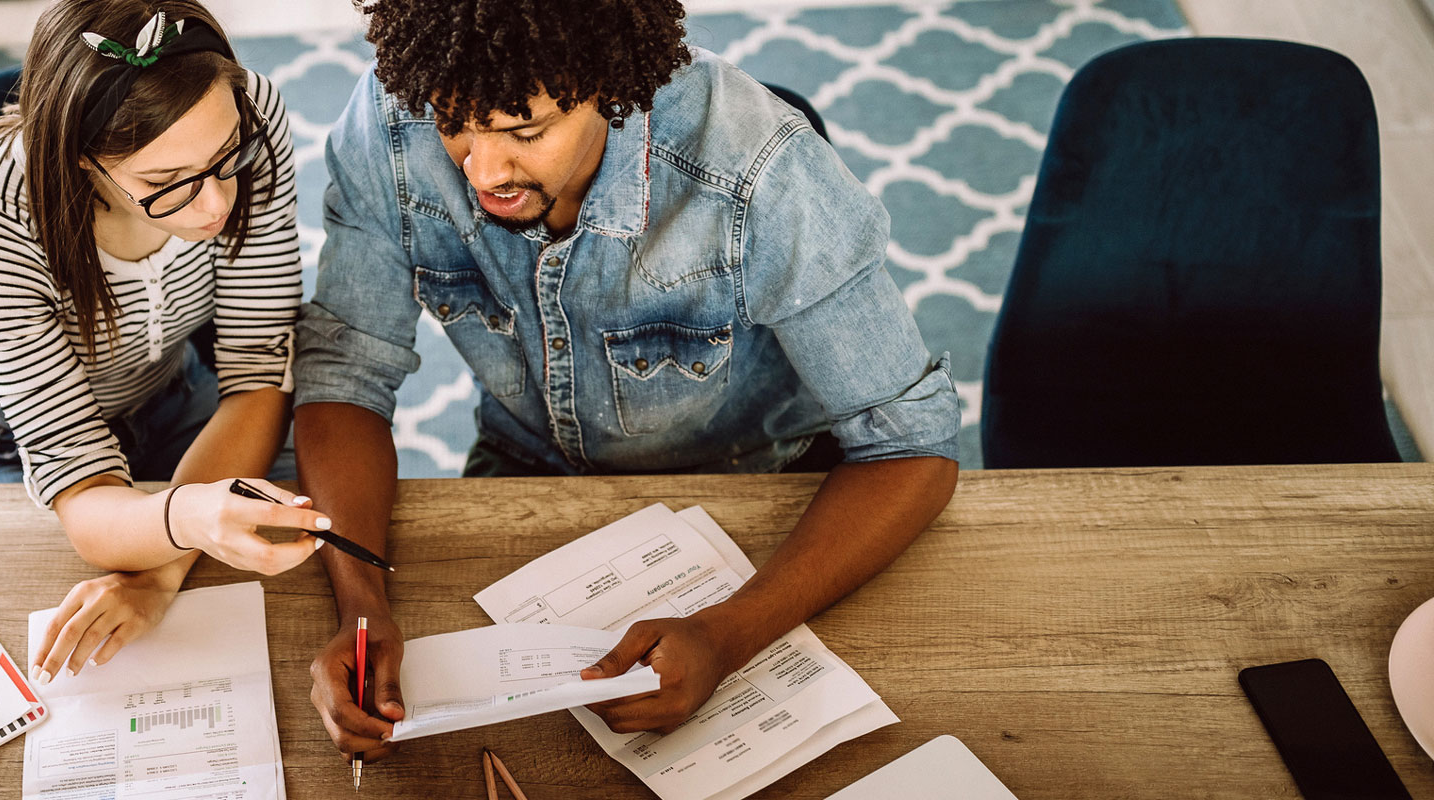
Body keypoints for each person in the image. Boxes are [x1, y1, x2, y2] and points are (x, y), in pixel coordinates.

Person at [293, 0, 962, 759]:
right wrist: (361, 610)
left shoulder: (759, 170)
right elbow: (344, 377)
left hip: (760, 487)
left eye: (524, 131)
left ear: (609, 83)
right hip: (524, 470)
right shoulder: (391, 121)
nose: (483, 172)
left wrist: (728, 634)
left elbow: (914, 446)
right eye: (455, 125)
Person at [0, 0, 326, 686]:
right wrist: (189, 521)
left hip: (176, 396)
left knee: (303, 585)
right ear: (80, 160)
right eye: (166, 184)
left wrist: (160, 573)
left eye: (227, 160)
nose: (217, 204)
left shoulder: (250, 110)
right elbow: (83, 486)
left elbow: (258, 372)